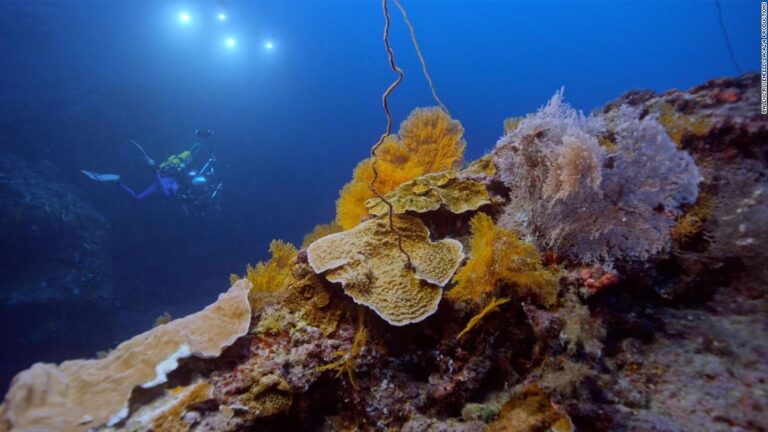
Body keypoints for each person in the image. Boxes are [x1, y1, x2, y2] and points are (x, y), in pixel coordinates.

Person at [82, 130, 223, 215]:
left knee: (138, 199)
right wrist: (178, 197)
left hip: (162, 181)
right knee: (167, 193)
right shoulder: (191, 177)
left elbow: (182, 201)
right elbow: (179, 193)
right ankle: (154, 170)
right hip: (170, 182)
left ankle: (118, 183)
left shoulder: (191, 172)